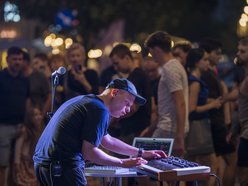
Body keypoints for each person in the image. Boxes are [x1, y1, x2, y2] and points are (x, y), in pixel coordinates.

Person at [33, 78, 166, 186]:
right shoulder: (99, 110)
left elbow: (108, 140)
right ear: (114, 92)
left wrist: (141, 152)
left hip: (45, 165)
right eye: (127, 103)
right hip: (61, 168)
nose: (127, 110)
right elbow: (90, 152)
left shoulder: (88, 101)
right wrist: (122, 163)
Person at [144, 31, 189, 156]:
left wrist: (179, 137)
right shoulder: (173, 66)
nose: (151, 55)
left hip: (169, 129)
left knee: (156, 169)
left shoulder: (170, 69)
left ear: (157, 49)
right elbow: (168, 104)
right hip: (170, 128)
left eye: (151, 51)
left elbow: (180, 103)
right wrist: (151, 128)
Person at [200, 38, 236, 186]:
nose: (220, 57)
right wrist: (228, 96)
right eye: (217, 53)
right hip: (215, 123)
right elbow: (210, 100)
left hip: (214, 123)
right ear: (207, 54)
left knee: (215, 164)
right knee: (232, 160)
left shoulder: (211, 73)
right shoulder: (207, 75)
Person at [0, 46, 30, 186]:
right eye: (14, 59)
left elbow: (27, 103)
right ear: (7, 60)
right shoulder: (1, 78)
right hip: (3, 126)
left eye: (20, 59)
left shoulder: (24, 80)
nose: (17, 62)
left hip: (20, 127)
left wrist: (25, 123)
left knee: (18, 163)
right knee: (3, 163)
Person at [14, 106, 44, 186]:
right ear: (30, 118)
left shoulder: (40, 131)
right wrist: (17, 165)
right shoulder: (25, 130)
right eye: (36, 115)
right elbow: (18, 149)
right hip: (23, 166)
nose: (39, 117)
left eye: (40, 114)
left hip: (31, 165)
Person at [234, 37, 248, 186]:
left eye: (243, 51)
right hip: (244, 132)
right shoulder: (244, 75)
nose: (238, 54)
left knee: (243, 177)